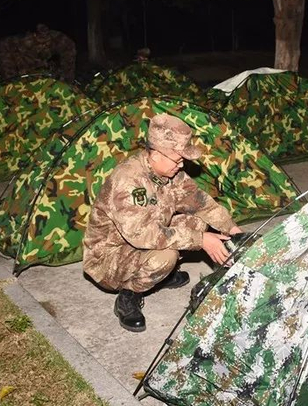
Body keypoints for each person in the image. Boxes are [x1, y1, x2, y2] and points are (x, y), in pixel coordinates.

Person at [82, 114, 241, 332]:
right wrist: (201, 240)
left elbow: (202, 204)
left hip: (140, 240)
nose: (181, 164)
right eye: (178, 159)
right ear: (155, 155)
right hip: (108, 257)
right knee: (166, 257)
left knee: (197, 222)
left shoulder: (171, 174)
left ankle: (162, 276)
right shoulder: (128, 181)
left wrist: (234, 230)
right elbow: (143, 235)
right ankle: (129, 295)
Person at [0, 24, 76, 81]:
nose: (44, 43)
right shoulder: (17, 43)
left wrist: (66, 77)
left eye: (46, 39)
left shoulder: (59, 39)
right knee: (13, 82)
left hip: (44, 67)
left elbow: (69, 50)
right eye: (40, 39)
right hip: (16, 62)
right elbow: (14, 67)